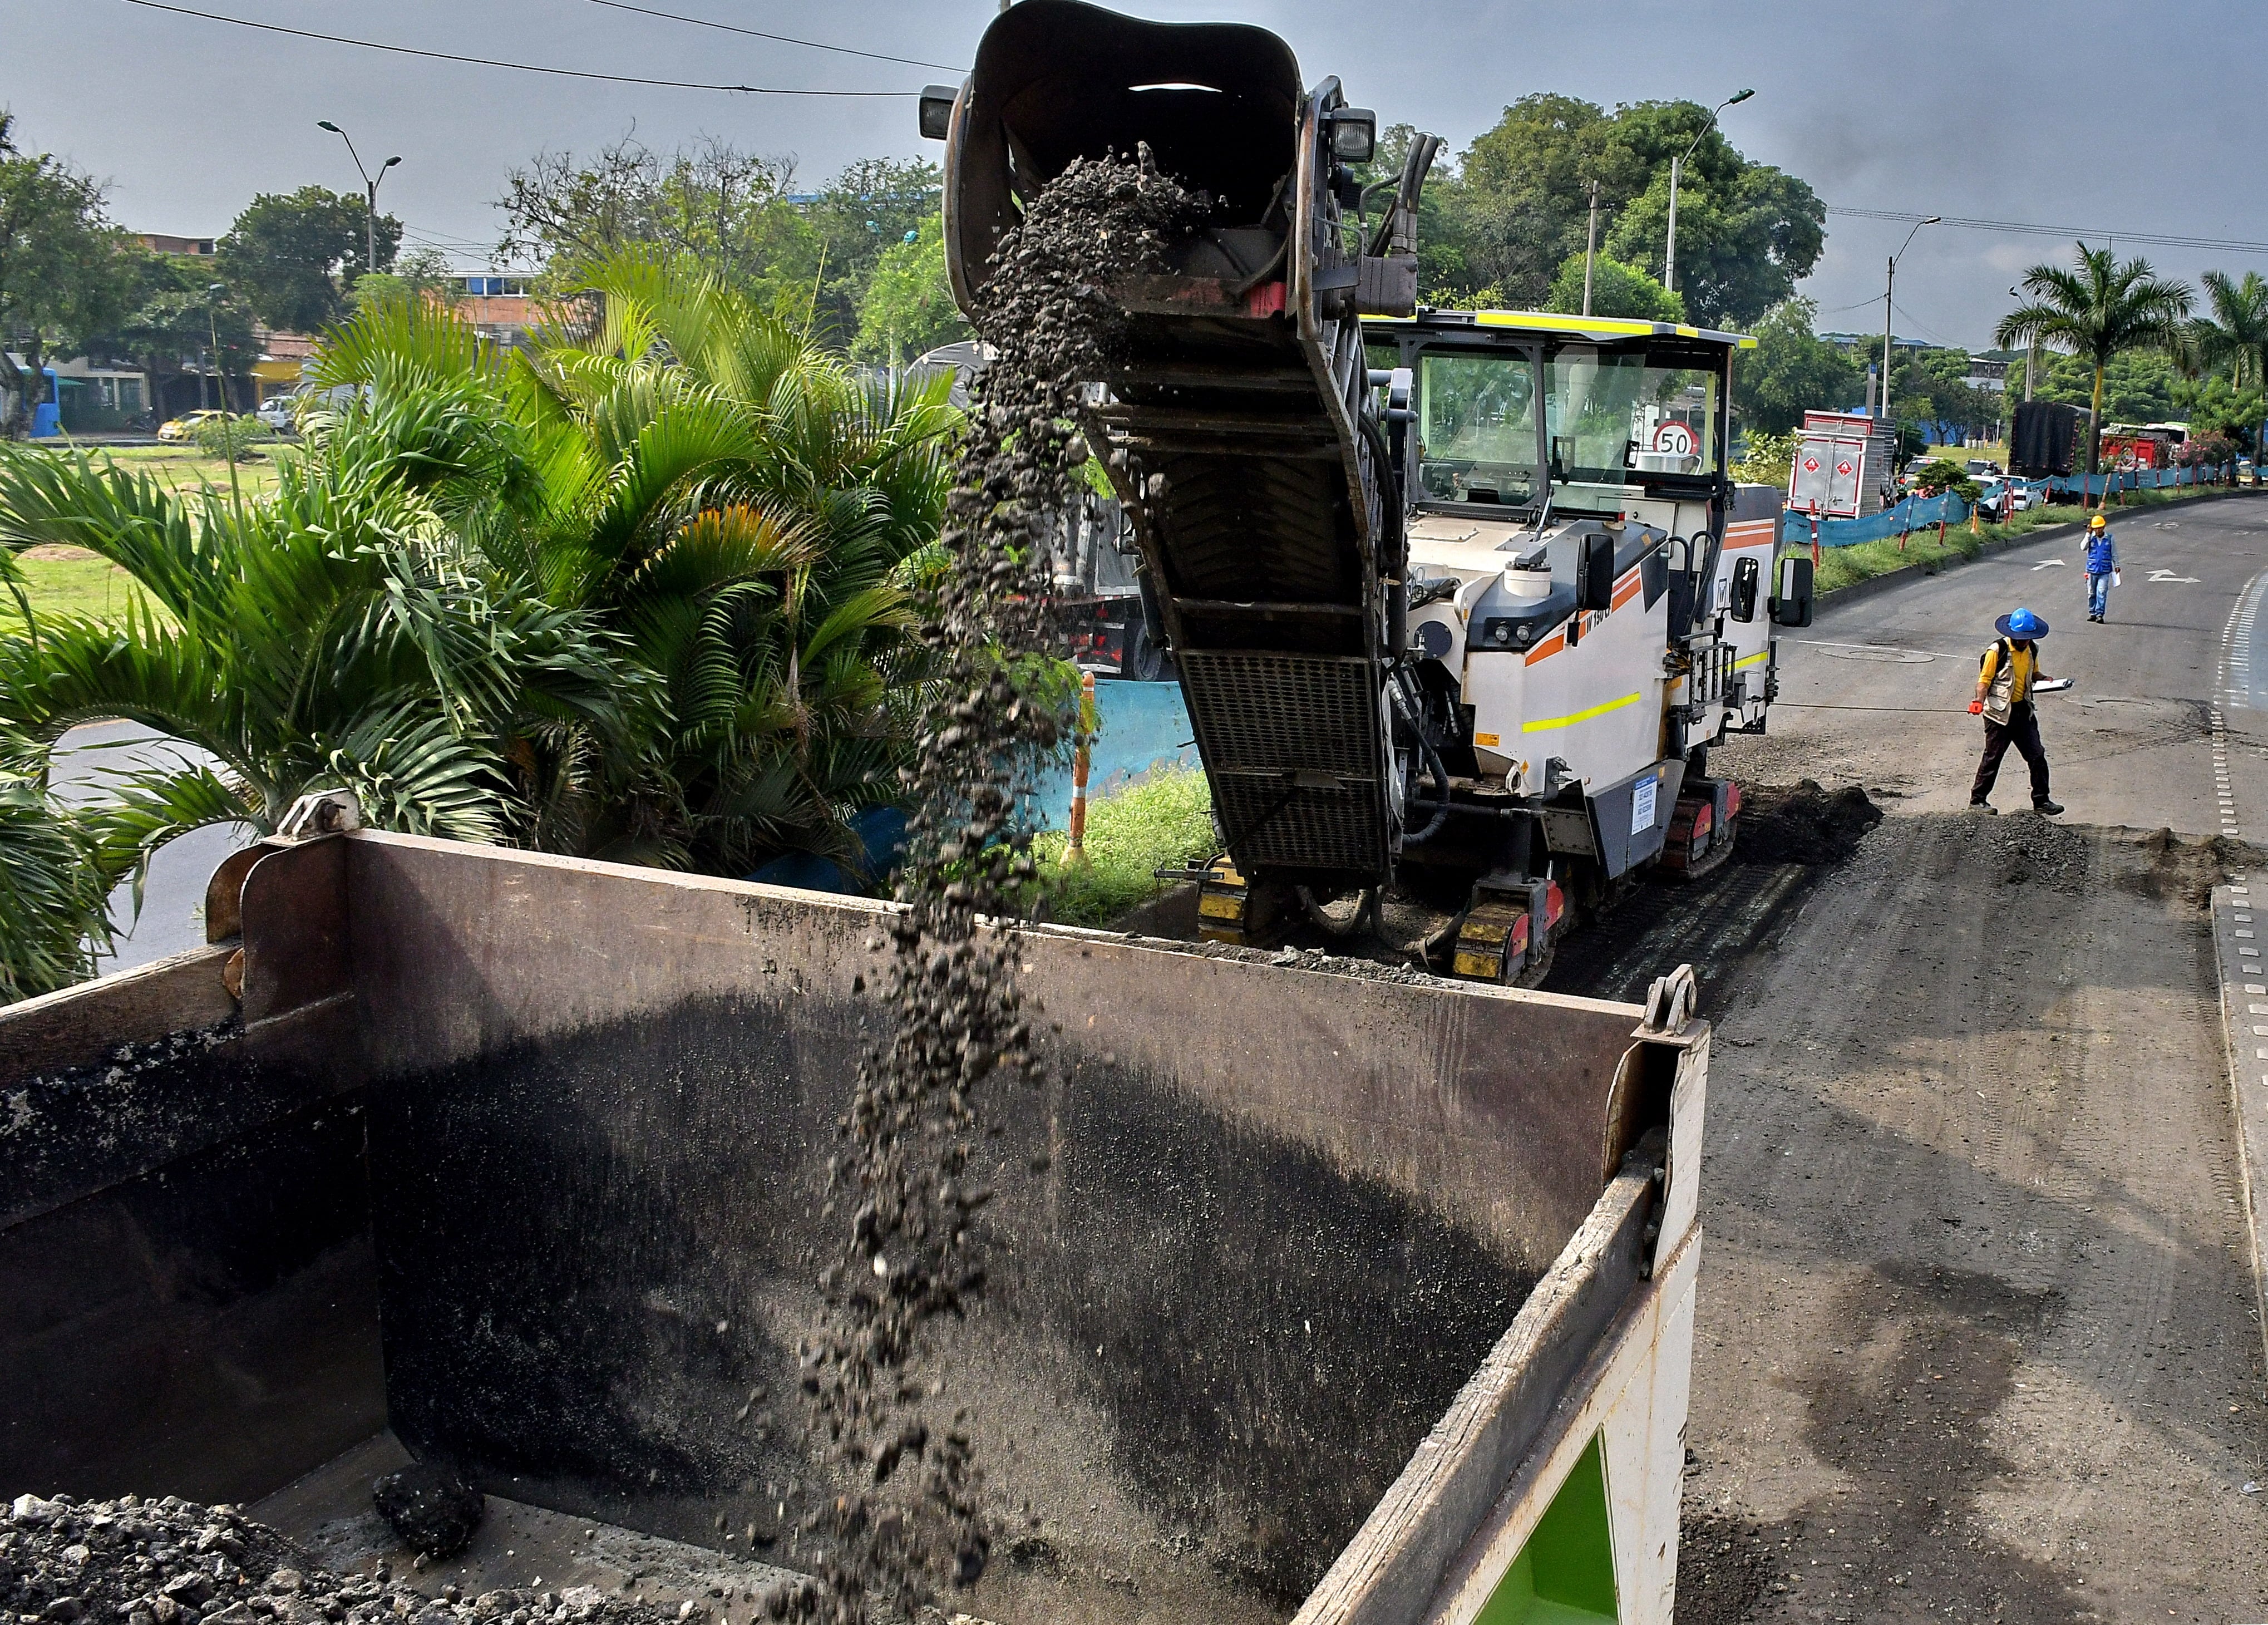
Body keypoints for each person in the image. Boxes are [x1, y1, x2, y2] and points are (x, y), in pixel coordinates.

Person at [1969, 607, 2064, 815]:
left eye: (2027, 638)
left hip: (2023, 711)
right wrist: (1978, 702)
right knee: (1993, 757)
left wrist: (2045, 679)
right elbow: (1984, 681)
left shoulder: (2033, 649)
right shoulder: (1997, 650)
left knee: (2037, 755)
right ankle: (1977, 801)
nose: (2024, 642)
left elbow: (2034, 673)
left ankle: (2042, 801)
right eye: (2020, 638)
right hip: (1999, 713)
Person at [2084, 513, 2117, 622]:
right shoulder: (2091, 538)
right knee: (2091, 593)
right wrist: (2088, 535)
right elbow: (2083, 547)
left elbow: (2114, 553)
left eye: (2100, 528)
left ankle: (2100, 614)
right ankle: (2092, 612)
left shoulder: (2110, 538)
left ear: (2103, 528)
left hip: (2105, 571)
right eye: (2096, 529)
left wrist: (2117, 565)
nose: (2098, 531)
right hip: (2091, 570)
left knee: (2102, 592)